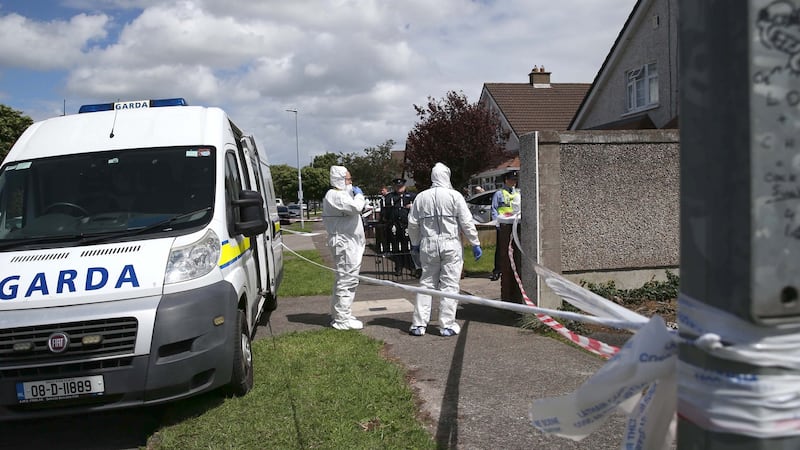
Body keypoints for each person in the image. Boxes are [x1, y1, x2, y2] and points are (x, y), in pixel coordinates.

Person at [407, 162, 482, 337]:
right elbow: (466, 222)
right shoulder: (454, 196)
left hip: (428, 244)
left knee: (426, 283)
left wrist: (415, 243)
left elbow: (413, 223)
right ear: (446, 176)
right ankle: (446, 325)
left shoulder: (421, 197)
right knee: (449, 285)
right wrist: (475, 242)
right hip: (450, 244)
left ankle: (419, 324)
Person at [322, 166, 367, 330]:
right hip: (345, 243)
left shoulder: (338, 195)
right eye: (348, 179)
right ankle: (342, 319)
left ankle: (341, 313)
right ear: (340, 180)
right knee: (347, 279)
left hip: (347, 242)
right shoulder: (336, 195)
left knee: (344, 278)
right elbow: (356, 208)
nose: (351, 182)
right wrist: (360, 195)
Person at [381, 177, 416, 276]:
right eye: (397, 186)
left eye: (401, 186)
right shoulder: (390, 197)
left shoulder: (411, 196)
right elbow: (385, 211)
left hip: (407, 225)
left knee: (408, 247)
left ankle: (412, 267)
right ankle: (398, 267)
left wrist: (411, 207)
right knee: (396, 247)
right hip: (394, 225)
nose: (399, 188)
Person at [490, 171, 520, 282]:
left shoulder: (517, 193)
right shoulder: (499, 193)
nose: (513, 182)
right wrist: (496, 223)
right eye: (511, 180)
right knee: (500, 249)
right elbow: (494, 209)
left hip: (514, 223)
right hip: (502, 225)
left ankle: (512, 269)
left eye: (515, 180)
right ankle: (497, 270)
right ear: (506, 180)